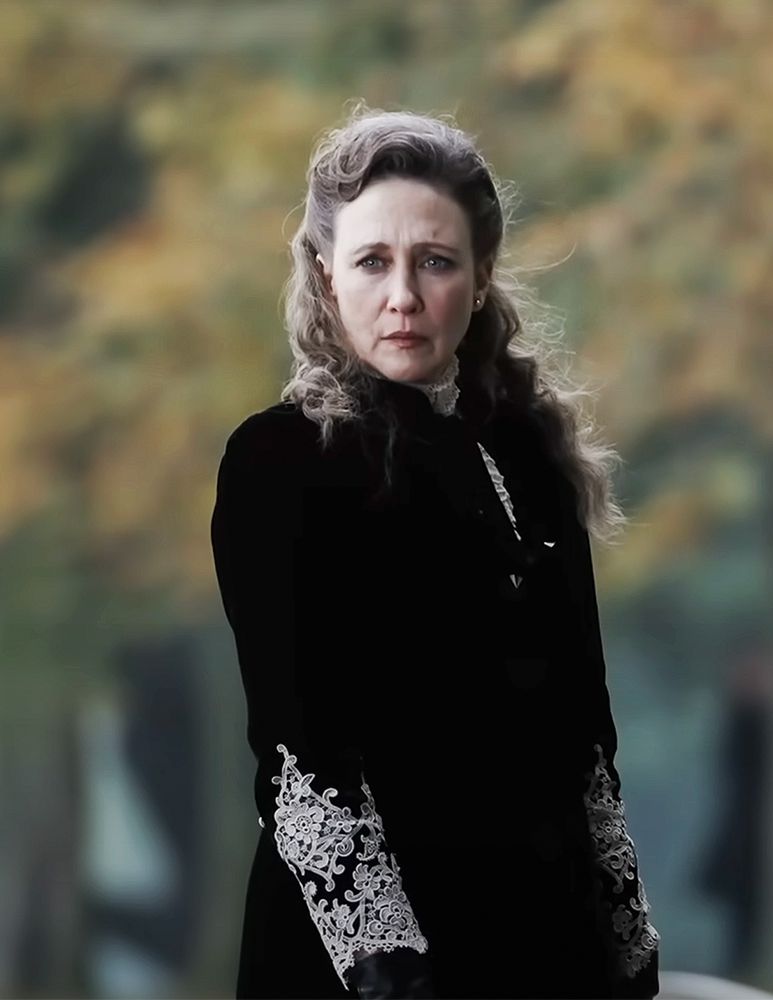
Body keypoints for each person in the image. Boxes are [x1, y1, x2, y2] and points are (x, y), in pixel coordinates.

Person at [211, 109, 659, 999]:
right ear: (326, 273)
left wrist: (624, 934)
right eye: (373, 262)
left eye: (436, 261)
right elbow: (305, 758)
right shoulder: (281, 461)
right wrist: (392, 974)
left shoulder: (529, 452)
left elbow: (585, 733)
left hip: (550, 942)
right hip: (370, 962)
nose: (404, 296)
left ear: (482, 277)